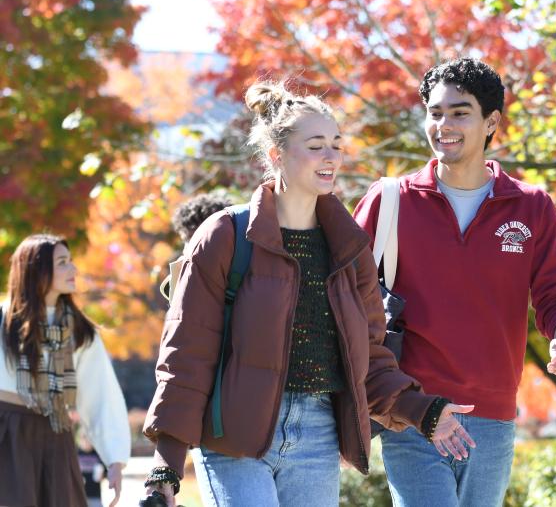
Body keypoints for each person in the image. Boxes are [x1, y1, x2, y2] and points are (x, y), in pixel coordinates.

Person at [140, 80, 470, 507]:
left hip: (317, 436)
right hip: (234, 436)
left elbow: (368, 360)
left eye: (336, 144)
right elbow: (187, 353)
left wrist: (424, 411)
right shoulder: (225, 235)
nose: (331, 156)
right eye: (316, 146)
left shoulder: (350, 250)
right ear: (277, 156)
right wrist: (166, 464)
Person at [353, 57, 556, 507]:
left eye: (459, 112)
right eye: (435, 113)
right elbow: (342, 295)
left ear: (491, 121)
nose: (444, 124)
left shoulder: (531, 206)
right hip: (412, 410)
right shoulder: (389, 201)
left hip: (494, 416)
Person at [0, 234, 131, 507]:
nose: (73, 270)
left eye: (70, 261)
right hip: (8, 435)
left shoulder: (80, 332)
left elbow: (101, 397)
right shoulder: (4, 321)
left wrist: (115, 460)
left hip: (55, 434)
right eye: (62, 263)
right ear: (36, 269)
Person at [159, 191, 233, 302]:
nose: (192, 249)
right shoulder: (178, 280)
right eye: (188, 240)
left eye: (200, 239)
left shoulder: (248, 270)